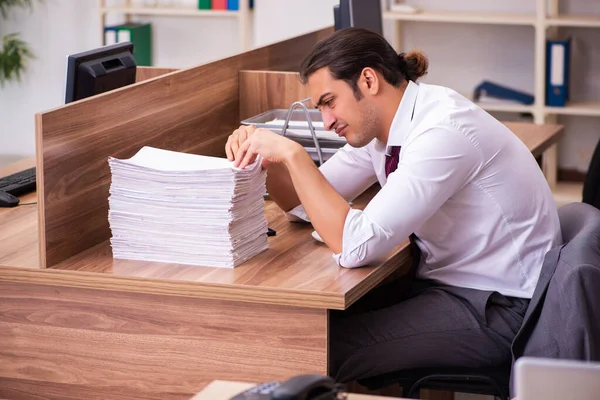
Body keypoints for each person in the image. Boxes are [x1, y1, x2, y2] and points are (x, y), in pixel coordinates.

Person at [225, 28, 561, 382]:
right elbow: (301, 207)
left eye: (329, 102)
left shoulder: (441, 131)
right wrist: (270, 158)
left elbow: (354, 247)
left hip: (502, 308)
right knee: (296, 327)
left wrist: (293, 154)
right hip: (453, 285)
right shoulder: (385, 128)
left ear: (368, 80)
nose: (327, 121)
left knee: (309, 346)